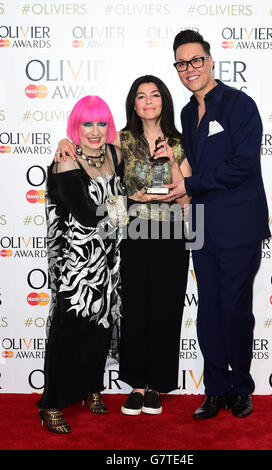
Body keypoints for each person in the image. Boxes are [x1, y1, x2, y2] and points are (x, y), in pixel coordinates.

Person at [54, 75, 192, 416]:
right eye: (141, 96)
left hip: (170, 235)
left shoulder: (179, 141)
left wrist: (172, 163)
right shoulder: (121, 141)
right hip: (130, 235)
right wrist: (64, 141)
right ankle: (137, 386)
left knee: (166, 310)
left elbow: (187, 198)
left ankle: (157, 385)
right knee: (133, 311)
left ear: (164, 101)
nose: (148, 101)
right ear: (133, 103)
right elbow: (96, 161)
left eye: (155, 95)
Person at [157, 29, 271, 419]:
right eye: (181, 63)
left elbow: (243, 165)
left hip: (238, 225)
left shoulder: (240, 105)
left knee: (236, 309)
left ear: (209, 60)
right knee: (208, 310)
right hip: (201, 224)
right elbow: (181, 160)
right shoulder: (188, 113)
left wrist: (190, 184)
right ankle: (215, 389)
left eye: (196, 60)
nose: (189, 69)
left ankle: (241, 386)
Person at [37, 95, 124, 433]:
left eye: (101, 123)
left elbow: (118, 216)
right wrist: (127, 203)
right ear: (76, 126)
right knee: (68, 333)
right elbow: (87, 215)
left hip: (108, 262)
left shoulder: (114, 154)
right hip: (76, 268)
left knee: (100, 329)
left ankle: (91, 387)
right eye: (87, 123)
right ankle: (51, 403)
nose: (95, 130)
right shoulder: (65, 161)